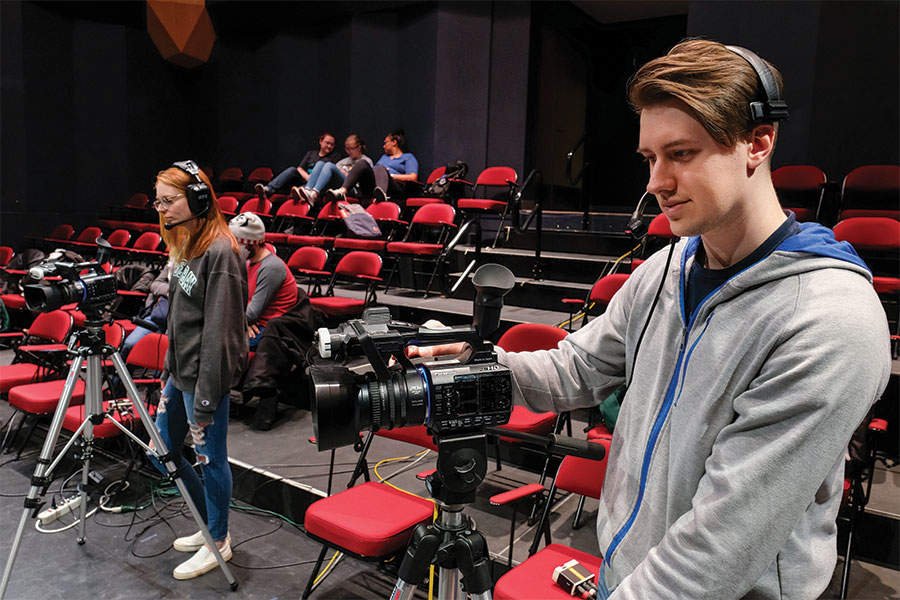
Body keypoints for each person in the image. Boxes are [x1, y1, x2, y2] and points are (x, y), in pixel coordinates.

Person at [411, 40, 891, 598]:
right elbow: (577, 369)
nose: (655, 182)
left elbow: (721, 547)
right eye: (649, 158)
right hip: (628, 575)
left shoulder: (828, 320)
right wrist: (485, 365)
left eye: (681, 154)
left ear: (757, 143)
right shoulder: (663, 268)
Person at [152, 160, 248, 580]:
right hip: (180, 374)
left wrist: (206, 398)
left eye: (169, 200)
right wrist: (168, 374)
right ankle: (208, 521)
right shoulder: (186, 244)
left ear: (197, 199)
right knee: (163, 451)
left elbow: (221, 333)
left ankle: (220, 540)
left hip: (204, 380)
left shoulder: (221, 252)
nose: (162, 209)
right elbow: (180, 320)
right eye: (158, 200)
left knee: (212, 459)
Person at [228, 212, 298, 350]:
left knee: (215, 338)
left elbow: (251, 314)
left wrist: (241, 320)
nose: (233, 248)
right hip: (249, 323)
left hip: (267, 330)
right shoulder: (248, 263)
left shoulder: (271, 267)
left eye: (236, 243)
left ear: (251, 244)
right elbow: (232, 297)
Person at [325, 128, 418, 207]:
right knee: (362, 162)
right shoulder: (384, 157)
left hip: (394, 187)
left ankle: (382, 196)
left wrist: (391, 175)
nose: (383, 146)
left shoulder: (408, 157)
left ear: (394, 142)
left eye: (386, 143)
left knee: (381, 168)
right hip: (374, 186)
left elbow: (413, 177)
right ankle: (342, 192)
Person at [289, 134, 374, 208]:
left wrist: (347, 174)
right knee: (320, 163)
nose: (348, 152)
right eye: (347, 149)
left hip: (351, 188)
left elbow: (364, 182)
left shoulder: (366, 161)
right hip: (335, 188)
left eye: (351, 149)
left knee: (329, 165)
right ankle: (308, 190)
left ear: (359, 147)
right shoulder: (344, 161)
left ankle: (314, 194)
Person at [255, 131, 341, 198]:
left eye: (332, 145)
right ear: (320, 141)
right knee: (292, 169)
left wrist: (312, 180)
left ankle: (300, 193)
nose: (329, 146)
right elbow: (300, 168)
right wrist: (307, 177)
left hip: (316, 184)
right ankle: (268, 189)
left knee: (298, 192)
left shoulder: (334, 157)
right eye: (327, 143)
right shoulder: (311, 154)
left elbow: (328, 174)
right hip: (305, 179)